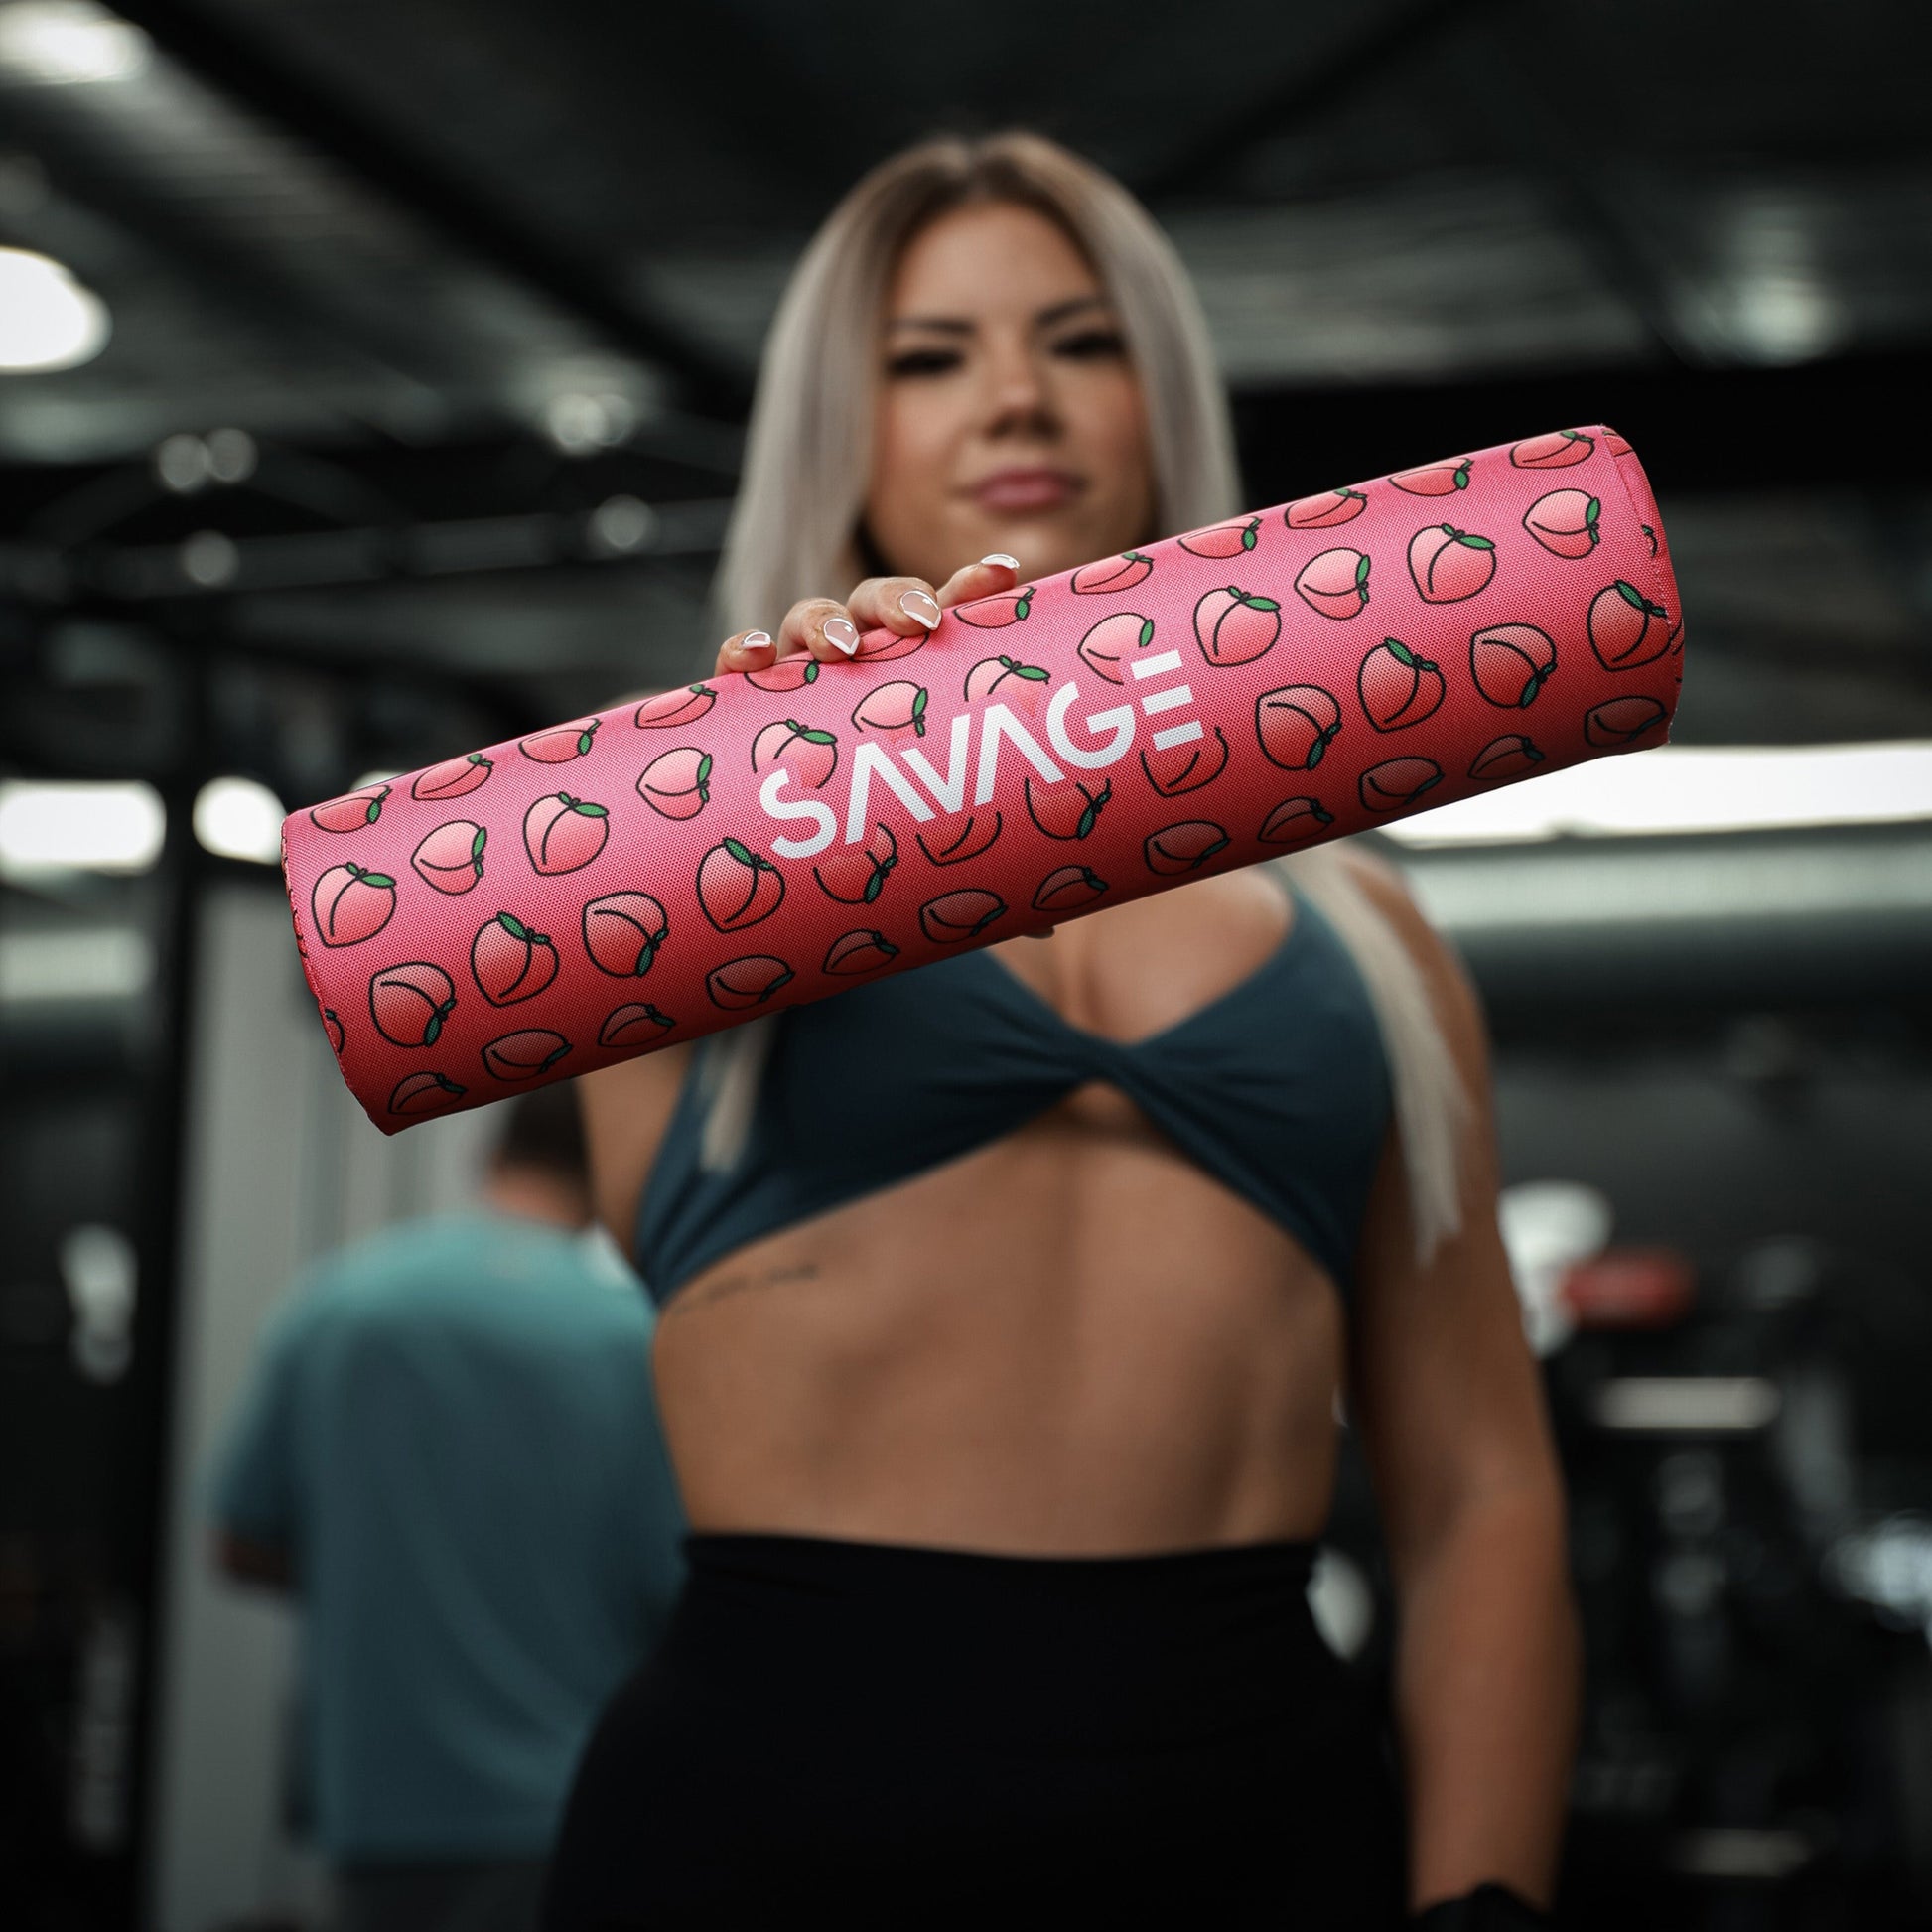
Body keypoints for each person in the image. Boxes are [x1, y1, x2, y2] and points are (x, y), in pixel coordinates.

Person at [552, 129, 1578, 1930]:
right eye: (928, 356)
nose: (1013, 398)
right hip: (769, 1824)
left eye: (1080, 340)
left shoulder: (1375, 934)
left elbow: (1479, 1489)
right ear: (837, 424)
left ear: (1158, 394)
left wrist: (1482, 1898)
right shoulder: (674, 848)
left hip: (1258, 1812)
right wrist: (786, 790)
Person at [207, 1086, 685, 1932]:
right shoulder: (635, 1338)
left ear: (490, 1153)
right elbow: (677, 1592)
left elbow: (240, 1543)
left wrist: (382, 1569)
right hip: (565, 1809)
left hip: (376, 1804)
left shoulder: (337, 1305)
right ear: (618, 1166)